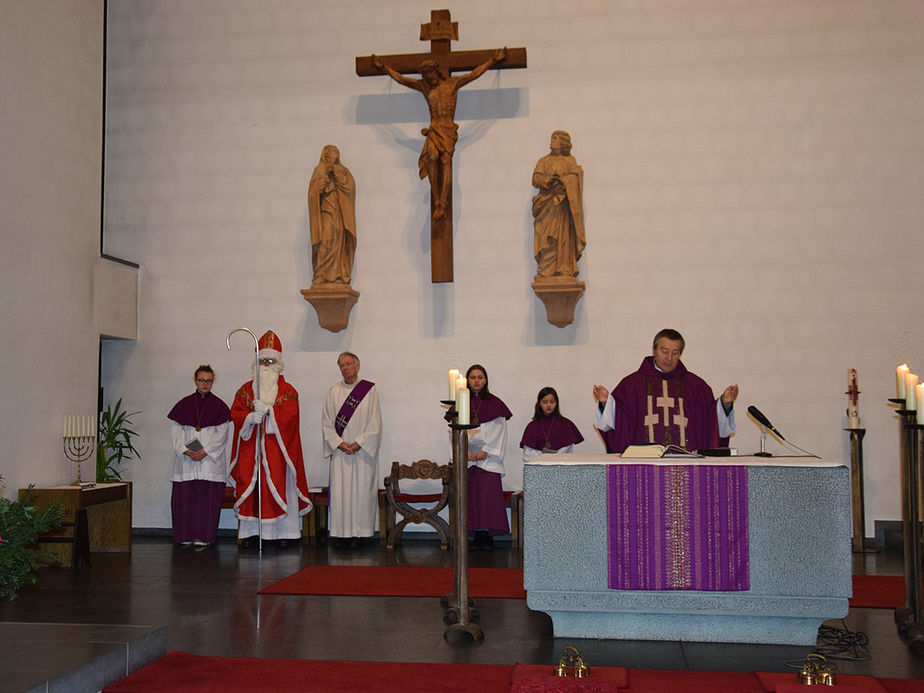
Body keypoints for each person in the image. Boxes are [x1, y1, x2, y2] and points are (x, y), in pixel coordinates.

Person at [371, 49, 506, 220]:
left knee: (445, 160)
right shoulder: (425, 88)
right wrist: (383, 67)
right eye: (426, 77)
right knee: (433, 156)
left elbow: (474, 75)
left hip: (447, 129)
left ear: (435, 72)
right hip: (434, 129)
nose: (429, 79)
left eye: (430, 75)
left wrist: (493, 60)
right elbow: (402, 80)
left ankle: (443, 200)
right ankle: (437, 200)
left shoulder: (453, 84)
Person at [593, 328, 738, 454]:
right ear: (654, 350)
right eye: (664, 351)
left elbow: (709, 421)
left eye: (675, 353)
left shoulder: (697, 387)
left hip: (686, 463)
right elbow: (618, 422)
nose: (669, 358)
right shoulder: (632, 385)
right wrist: (606, 404)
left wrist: (724, 405)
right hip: (644, 464)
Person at [229, 330, 311, 548]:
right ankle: (251, 534)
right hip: (251, 451)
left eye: (271, 360)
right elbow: (235, 414)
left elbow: (292, 416)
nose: (266, 364)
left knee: (280, 487)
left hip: (278, 451)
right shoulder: (245, 390)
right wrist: (249, 417)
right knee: (252, 487)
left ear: (279, 364)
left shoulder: (288, 390)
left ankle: (284, 534)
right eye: (263, 360)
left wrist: (270, 413)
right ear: (257, 363)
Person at [167, 365, 233, 548]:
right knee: (185, 501)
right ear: (195, 381)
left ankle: (204, 536)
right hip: (187, 461)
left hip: (210, 463)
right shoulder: (184, 404)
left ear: (213, 382)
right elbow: (177, 431)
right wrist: (185, 449)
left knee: (207, 501)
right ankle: (184, 535)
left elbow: (222, 434)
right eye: (202, 380)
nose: (205, 384)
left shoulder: (220, 406)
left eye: (209, 381)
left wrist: (206, 451)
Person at [322, 351, 382, 548]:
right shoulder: (333, 392)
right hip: (341, 453)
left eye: (349, 364)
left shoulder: (369, 390)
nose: (345, 368)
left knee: (362, 493)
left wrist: (359, 442)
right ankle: (341, 535)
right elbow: (327, 423)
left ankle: (360, 534)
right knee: (341, 494)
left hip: (362, 452)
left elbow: (375, 423)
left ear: (357, 366)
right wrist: (339, 443)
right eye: (342, 365)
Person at [459, 364, 512, 549]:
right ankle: (475, 535)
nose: (476, 381)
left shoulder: (495, 404)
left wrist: (486, 451)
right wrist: (463, 450)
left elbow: (500, 432)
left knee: (488, 498)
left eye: (480, 377)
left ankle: (488, 535)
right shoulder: (460, 404)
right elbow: (454, 432)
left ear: (486, 380)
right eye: (472, 377)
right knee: (471, 499)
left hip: (487, 459)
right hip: (468, 458)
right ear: (467, 380)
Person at [531, 130, 586, 279]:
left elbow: (575, 177)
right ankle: (545, 270)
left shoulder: (569, 161)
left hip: (563, 207)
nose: (552, 140)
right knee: (546, 239)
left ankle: (564, 268)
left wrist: (565, 182)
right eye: (552, 137)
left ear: (563, 143)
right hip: (546, 206)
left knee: (562, 237)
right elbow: (535, 178)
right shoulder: (543, 161)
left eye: (555, 138)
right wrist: (548, 181)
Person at [308, 144, 356, 286]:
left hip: (339, 214)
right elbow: (313, 192)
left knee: (339, 238)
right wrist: (324, 178)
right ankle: (320, 274)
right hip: (326, 212)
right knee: (326, 240)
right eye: (329, 157)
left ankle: (339, 273)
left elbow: (350, 188)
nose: (332, 161)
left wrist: (337, 175)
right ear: (325, 156)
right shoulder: (319, 171)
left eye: (335, 159)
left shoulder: (343, 171)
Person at [519, 387, 584, 463]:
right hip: (539, 469)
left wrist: (552, 459)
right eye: (545, 402)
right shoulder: (532, 426)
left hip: (560, 468)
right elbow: (528, 454)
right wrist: (545, 459)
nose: (548, 405)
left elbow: (567, 452)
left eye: (552, 402)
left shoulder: (565, 424)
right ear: (539, 403)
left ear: (556, 404)